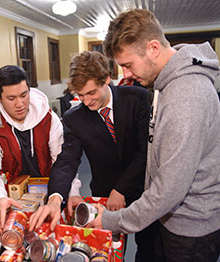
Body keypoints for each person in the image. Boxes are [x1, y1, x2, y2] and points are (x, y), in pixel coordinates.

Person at [89, 9, 220, 262]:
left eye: (128, 65)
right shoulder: (166, 82)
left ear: (153, 48)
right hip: (170, 219)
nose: (125, 74)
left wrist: (111, 220)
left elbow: (169, 190)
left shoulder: (186, 96)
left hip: (191, 229)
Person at [29, 51, 156, 261]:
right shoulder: (74, 118)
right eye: (80, 95)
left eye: (91, 93)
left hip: (144, 190)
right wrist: (55, 198)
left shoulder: (137, 98)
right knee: (109, 252)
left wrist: (121, 189)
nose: (86, 101)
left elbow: (145, 151)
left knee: (148, 249)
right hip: (104, 197)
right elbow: (67, 160)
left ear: (106, 79)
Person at [0, 65, 64, 233]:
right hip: (13, 205)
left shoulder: (49, 119)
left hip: (51, 197)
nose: (20, 104)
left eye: (24, 95)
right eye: (11, 98)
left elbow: (62, 162)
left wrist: (62, 196)